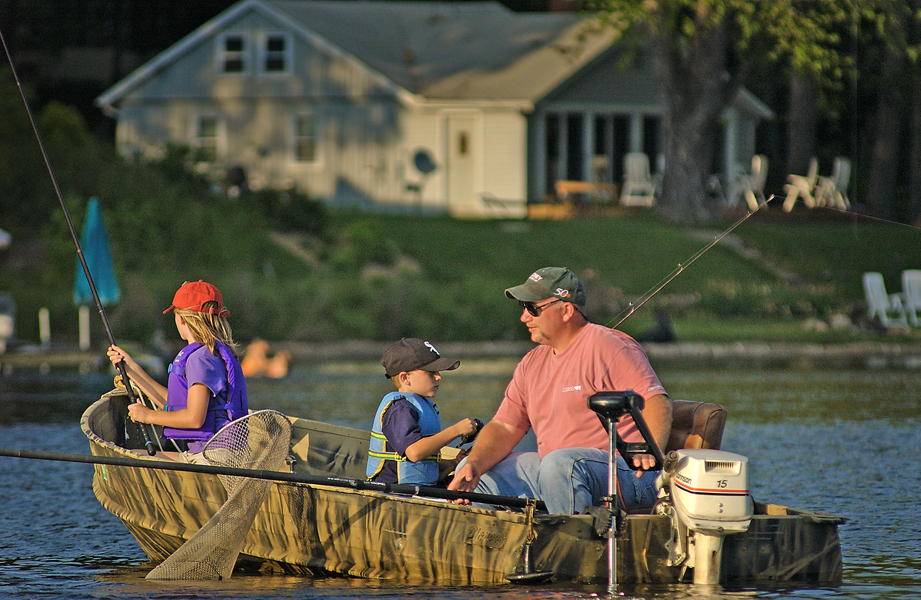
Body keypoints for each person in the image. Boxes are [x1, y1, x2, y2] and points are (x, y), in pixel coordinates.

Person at [448, 267, 672, 514]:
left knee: (559, 464)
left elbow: (656, 400)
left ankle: (573, 537)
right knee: (472, 472)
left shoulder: (609, 345)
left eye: (532, 308)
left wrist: (649, 449)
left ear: (566, 310)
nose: (524, 317)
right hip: (557, 470)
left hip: (627, 472)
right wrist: (475, 463)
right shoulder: (531, 363)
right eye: (522, 307)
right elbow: (504, 426)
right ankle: (501, 539)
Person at [107, 280, 248, 460]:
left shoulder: (199, 359)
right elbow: (175, 404)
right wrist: (131, 369)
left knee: (124, 458)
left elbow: (194, 418)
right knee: (136, 456)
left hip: (212, 456)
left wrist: (148, 416)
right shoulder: (212, 353)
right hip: (226, 453)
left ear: (181, 318)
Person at [366, 338, 480, 485]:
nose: (439, 377)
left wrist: (452, 464)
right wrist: (456, 430)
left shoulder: (418, 404)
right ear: (405, 378)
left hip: (421, 488)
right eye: (431, 372)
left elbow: (424, 462)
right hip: (398, 491)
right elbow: (414, 452)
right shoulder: (400, 408)